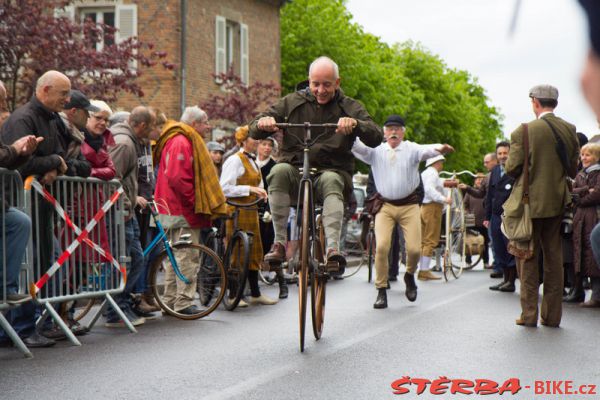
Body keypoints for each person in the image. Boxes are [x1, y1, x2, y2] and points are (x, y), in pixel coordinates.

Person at [249, 56, 383, 273]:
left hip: (331, 171)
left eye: (327, 85)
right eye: (315, 84)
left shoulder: (349, 106)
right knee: (278, 171)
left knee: (331, 180)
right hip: (294, 169)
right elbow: (253, 128)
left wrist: (356, 124)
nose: (320, 90)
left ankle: (332, 248)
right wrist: (264, 124)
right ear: (309, 81)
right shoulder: (291, 102)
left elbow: (376, 136)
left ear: (337, 83)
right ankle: (280, 243)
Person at [0, 71, 71, 347]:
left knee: (43, 260)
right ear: (46, 90)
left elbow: (61, 155)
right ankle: (21, 326)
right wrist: (51, 162)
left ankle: (30, 323)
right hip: (20, 199)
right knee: (27, 262)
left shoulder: (51, 119)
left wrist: (55, 163)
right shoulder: (24, 118)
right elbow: (21, 163)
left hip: (39, 204)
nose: (67, 99)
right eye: (63, 93)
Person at [352, 114, 454, 309]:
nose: (393, 132)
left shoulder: (411, 149)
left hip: (409, 206)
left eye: (397, 129)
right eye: (389, 129)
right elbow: (358, 148)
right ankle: (381, 289)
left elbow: (427, 150)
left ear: (403, 132)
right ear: (384, 132)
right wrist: (350, 133)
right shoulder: (376, 151)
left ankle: (409, 275)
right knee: (382, 247)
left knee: (414, 249)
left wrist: (441, 148)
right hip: (385, 207)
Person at [505, 84, 579, 328]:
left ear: (535, 102)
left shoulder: (524, 131)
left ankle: (528, 315)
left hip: (529, 203)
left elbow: (512, 168)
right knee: (554, 259)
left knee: (527, 258)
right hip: (558, 201)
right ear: (554, 103)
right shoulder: (569, 129)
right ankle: (552, 316)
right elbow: (573, 167)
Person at [153, 109, 227, 314]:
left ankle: (170, 301)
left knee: (173, 257)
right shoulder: (182, 141)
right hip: (181, 210)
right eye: (205, 122)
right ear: (194, 124)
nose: (209, 126)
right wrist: (196, 202)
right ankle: (183, 302)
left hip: (170, 207)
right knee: (186, 257)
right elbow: (178, 178)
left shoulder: (176, 138)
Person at [107, 106, 158, 326]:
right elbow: (112, 179)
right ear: (142, 125)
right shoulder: (125, 144)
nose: (155, 130)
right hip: (120, 211)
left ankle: (121, 305)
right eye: (153, 126)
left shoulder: (133, 142)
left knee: (136, 258)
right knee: (126, 259)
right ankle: (115, 311)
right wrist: (128, 201)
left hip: (127, 211)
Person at [220, 126, 276, 306]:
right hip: (237, 211)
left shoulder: (252, 161)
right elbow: (224, 188)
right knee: (237, 251)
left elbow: (258, 183)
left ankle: (255, 293)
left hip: (251, 210)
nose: (258, 142)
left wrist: (261, 192)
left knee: (253, 250)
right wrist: (250, 189)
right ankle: (232, 294)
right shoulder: (235, 160)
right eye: (254, 139)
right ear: (244, 140)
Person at [255, 136, 289, 297]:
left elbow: (276, 190)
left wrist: (270, 209)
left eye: (269, 145)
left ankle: (282, 283)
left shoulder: (274, 166)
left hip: (268, 209)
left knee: (272, 247)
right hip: (250, 207)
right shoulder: (251, 162)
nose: (266, 148)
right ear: (258, 145)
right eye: (263, 144)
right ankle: (251, 285)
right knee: (251, 247)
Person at [570, 143, 600, 307]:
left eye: (587, 155)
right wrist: (585, 190)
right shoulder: (580, 174)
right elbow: (571, 191)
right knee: (581, 254)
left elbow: (597, 193)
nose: (584, 158)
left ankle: (597, 295)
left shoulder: (598, 173)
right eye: (582, 155)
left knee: (593, 256)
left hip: (593, 217)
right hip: (580, 218)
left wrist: (580, 198)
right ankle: (578, 289)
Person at [485, 141, 517, 291]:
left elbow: (524, 192)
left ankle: (511, 281)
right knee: (499, 248)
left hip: (510, 216)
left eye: (505, 153)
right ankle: (505, 279)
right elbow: (489, 195)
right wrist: (487, 216)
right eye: (500, 154)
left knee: (509, 247)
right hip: (496, 216)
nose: (503, 156)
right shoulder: (496, 170)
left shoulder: (516, 170)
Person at [419, 155, 451, 281]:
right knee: (430, 240)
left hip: (424, 207)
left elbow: (437, 183)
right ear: (437, 163)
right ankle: (424, 270)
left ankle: (423, 269)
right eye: (441, 162)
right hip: (432, 207)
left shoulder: (426, 173)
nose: (442, 165)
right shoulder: (432, 174)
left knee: (424, 240)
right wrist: (444, 199)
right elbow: (429, 188)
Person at [463, 173, 491, 269]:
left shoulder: (487, 191)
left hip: (484, 221)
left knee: (485, 242)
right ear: (474, 181)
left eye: (481, 179)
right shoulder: (469, 192)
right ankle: (468, 261)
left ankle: (486, 262)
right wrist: (467, 213)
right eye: (477, 179)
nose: (479, 181)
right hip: (471, 221)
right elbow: (465, 205)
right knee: (468, 241)